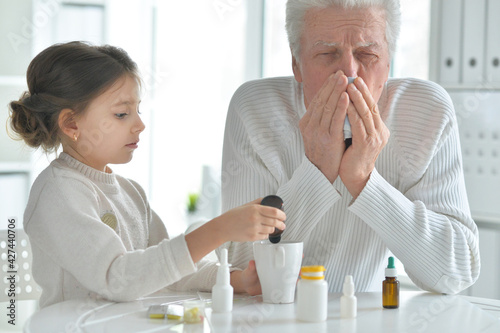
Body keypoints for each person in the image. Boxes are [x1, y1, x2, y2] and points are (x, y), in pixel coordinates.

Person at [220, 0, 480, 294]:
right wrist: (317, 172)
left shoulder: (427, 111)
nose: (348, 73)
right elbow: (244, 271)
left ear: (388, 62)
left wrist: (365, 182)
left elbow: (456, 273)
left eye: (367, 54)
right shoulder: (255, 110)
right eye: (327, 53)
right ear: (297, 64)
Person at [8, 41, 285, 308]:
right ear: (71, 123)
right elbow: (117, 279)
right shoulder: (58, 193)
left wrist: (235, 279)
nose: (140, 124)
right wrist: (218, 230)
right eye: (121, 114)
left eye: (137, 110)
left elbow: (166, 266)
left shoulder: (131, 192)